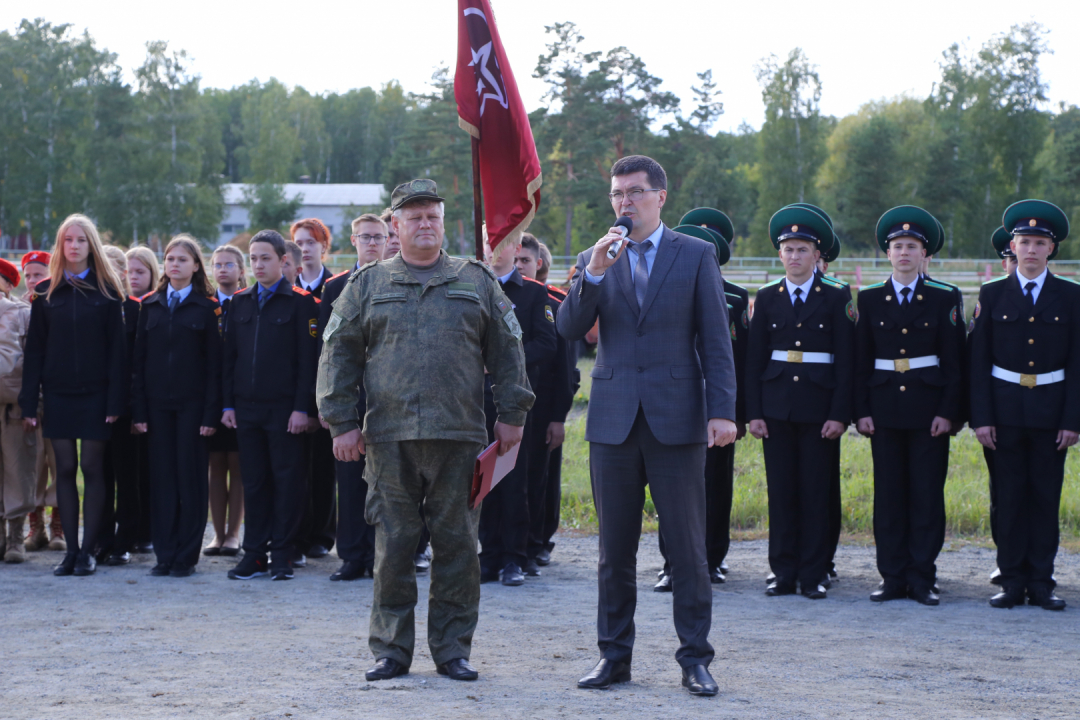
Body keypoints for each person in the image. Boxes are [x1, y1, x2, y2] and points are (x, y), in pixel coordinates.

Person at [317, 179, 532, 683]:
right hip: (389, 439)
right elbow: (338, 354)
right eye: (413, 217)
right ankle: (391, 650)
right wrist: (342, 422)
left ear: (443, 221)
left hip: (459, 436)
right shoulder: (368, 284)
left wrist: (513, 413)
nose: (424, 224)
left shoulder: (474, 279)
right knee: (393, 546)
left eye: (432, 215)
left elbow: (508, 349)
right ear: (395, 226)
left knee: (457, 546)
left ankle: (452, 649)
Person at [557, 155, 736, 697]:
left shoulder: (695, 254)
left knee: (686, 549)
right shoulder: (597, 257)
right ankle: (614, 657)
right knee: (615, 550)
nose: (625, 202)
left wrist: (721, 410)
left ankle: (695, 659)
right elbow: (568, 328)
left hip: (676, 419)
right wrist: (593, 275)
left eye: (635, 192)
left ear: (661, 196)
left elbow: (715, 339)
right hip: (612, 421)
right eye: (617, 194)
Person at [970, 199, 1078, 611]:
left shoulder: (1071, 296)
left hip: (1052, 414)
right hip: (1004, 413)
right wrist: (981, 418)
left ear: (1051, 249)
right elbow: (978, 362)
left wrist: (1073, 419)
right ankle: (1012, 580)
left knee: (1045, 498)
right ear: (1012, 247)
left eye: (1039, 242)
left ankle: (1042, 581)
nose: (1030, 249)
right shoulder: (992, 294)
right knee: (1009, 498)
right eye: (1023, 241)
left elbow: (1078, 364)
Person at [854, 207, 962, 606]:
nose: (904, 252)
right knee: (889, 496)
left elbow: (954, 361)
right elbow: (860, 361)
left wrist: (949, 412)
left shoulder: (943, 297)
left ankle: (922, 577)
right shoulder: (868, 298)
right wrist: (860, 410)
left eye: (912, 246)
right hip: (882, 411)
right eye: (898, 246)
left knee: (926, 496)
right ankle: (892, 575)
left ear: (924, 255)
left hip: (928, 411)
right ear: (888, 253)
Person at [745, 205, 853, 601]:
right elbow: (755, 360)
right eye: (788, 249)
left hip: (820, 409)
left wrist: (840, 414)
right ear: (779, 255)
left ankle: (814, 572)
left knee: (816, 491)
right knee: (782, 491)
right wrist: (753, 413)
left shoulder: (836, 296)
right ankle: (783, 571)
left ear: (816, 255)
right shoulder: (768, 297)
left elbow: (847, 360)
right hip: (776, 409)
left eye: (802, 250)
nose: (794, 256)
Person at [19, 214, 128, 577]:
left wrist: (116, 400)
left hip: (98, 396)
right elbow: (34, 351)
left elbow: (118, 352)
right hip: (58, 395)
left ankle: (90, 552)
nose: (75, 245)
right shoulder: (46, 293)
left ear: (91, 245)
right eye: (69, 239)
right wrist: (28, 402)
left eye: (81, 239)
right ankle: (72, 552)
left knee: (92, 468)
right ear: (61, 246)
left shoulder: (108, 291)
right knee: (64, 469)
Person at [654, 209, 748, 591]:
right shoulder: (660, 286)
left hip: (715, 407)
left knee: (715, 484)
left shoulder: (736, 298)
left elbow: (737, 357)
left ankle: (712, 559)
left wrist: (736, 412)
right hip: (673, 404)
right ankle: (671, 564)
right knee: (669, 489)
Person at [222, 230, 319, 581]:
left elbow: (308, 363)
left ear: (283, 261)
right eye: (254, 258)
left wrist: (302, 408)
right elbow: (229, 359)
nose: (258, 264)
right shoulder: (240, 302)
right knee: (255, 482)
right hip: (246, 410)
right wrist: (227, 405)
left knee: (287, 482)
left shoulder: (300, 303)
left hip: (285, 411)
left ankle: (282, 554)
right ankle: (254, 554)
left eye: (266, 258)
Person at [132, 236, 222, 577]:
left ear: (196, 266)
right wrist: (139, 411)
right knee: (163, 481)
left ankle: (186, 556)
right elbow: (138, 364)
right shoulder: (150, 305)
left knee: (190, 480)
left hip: (193, 410)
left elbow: (215, 367)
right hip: (156, 409)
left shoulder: (207, 307)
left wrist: (210, 413)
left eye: (183, 259)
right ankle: (165, 554)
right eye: (170, 258)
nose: (175, 264)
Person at [478, 230, 557, 584]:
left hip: (515, 401)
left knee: (513, 481)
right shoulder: (469, 286)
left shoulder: (534, 293)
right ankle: (488, 554)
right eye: (489, 242)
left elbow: (546, 342)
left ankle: (514, 557)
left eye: (502, 242)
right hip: (474, 402)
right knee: (481, 481)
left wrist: (505, 361)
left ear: (516, 249)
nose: (495, 249)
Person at [318, 213, 385, 582]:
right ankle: (351, 556)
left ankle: (381, 554)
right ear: (354, 240)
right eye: (366, 237)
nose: (372, 243)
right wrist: (330, 404)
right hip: (349, 398)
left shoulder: (398, 280)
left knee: (385, 483)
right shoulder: (335, 287)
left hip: (387, 399)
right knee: (349, 479)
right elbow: (326, 350)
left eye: (379, 237)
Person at [513, 233, 573, 572]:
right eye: (516, 259)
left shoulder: (555, 301)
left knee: (540, 479)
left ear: (539, 264)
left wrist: (558, 416)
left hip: (544, 406)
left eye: (526, 261)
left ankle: (537, 542)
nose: (520, 266)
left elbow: (564, 369)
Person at [290, 218, 337, 561]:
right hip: (291, 393)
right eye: (299, 242)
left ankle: (322, 533)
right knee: (295, 468)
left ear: (324, 246)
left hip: (325, 390)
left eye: (311, 242)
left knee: (322, 467)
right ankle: (296, 533)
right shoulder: (285, 287)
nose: (305, 249)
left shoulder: (335, 287)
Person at [98, 246, 142, 566]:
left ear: (124, 274)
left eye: (116, 269)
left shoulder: (138, 309)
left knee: (126, 474)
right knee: (98, 474)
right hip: (93, 404)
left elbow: (139, 364)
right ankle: (99, 538)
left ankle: (125, 539)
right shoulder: (92, 306)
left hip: (125, 405)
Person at [19, 251, 63, 553]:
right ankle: (36, 528)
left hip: (58, 394)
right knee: (33, 465)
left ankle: (59, 527)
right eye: (29, 275)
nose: (34, 281)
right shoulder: (16, 310)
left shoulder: (55, 304)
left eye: (39, 275)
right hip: (30, 398)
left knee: (60, 463)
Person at [205, 245, 246, 557]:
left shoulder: (247, 304)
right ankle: (217, 534)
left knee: (238, 466)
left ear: (240, 270)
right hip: (210, 396)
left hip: (240, 397)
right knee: (215, 467)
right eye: (217, 264)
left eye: (228, 264)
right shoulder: (205, 306)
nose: (222, 270)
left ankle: (234, 534)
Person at [983, 226, 1017, 581]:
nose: (1012, 263)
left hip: (1043, 411)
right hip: (1002, 409)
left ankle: (1036, 572)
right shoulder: (992, 297)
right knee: (1002, 492)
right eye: (1008, 257)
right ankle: (1007, 562)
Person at [123, 246, 159, 554]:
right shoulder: (120, 307)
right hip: (122, 402)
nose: (133, 278)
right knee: (125, 470)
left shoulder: (152, 307)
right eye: (128, 272)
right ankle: (127, 529)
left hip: (151, 402)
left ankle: (147, 529)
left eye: (139, 272)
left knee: (148, 469)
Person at [0, 258, 35, 563]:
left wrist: (32, 405)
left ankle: (16, 537)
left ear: (9, 285)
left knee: (18, 469)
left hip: (14, 406)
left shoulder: (23, 313)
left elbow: (33, 360)